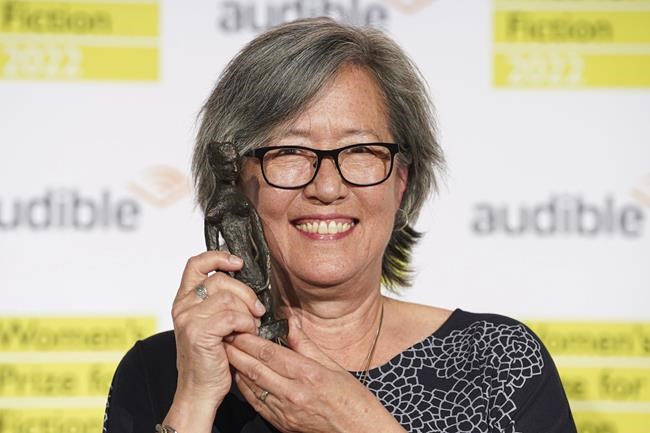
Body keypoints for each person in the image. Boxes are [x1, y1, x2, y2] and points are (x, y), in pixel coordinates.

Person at [104, 17, 577, 433]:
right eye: (289, 151)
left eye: (360, 151)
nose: (327, 187)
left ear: (401, 183)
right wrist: (194, 400)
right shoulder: (163, 370)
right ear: (237, 182)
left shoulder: (497, 362)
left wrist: (357, 422)